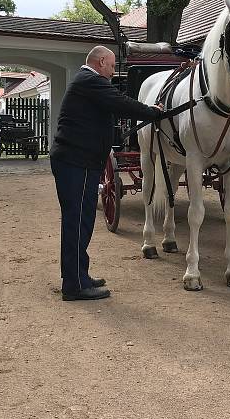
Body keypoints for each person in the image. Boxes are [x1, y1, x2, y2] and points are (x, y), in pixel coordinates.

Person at [50, 45, 163, 301]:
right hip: (75, 162)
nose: (113, 72)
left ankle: (79, 275)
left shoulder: (87, 82)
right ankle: (75, 286)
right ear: (101, 62)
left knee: (82, 221)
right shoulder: (90, 80)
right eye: (112, 66)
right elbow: (120, 103)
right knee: (77, 222)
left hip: (81, 162)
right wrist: (152, 112)